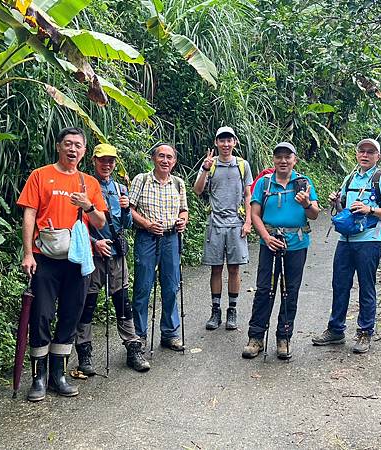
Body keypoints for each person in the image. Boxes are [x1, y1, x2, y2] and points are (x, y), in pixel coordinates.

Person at [18, 127, 107, 402]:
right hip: (44, 257)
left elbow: (101, 223)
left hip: (77, 259)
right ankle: (38, 378)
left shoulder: (89, 183)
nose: (73, 149)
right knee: (41, 315)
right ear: (59, 146)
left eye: (78, 146)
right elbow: (29, 214)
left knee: (70, 315)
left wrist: (88, 206)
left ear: (83, 151)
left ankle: (59, 375)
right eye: (68, 144)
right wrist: (28, 253)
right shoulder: (40, 175)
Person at [312, 138, 381, 353]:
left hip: (370, 240)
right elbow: (344, 206)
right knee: (339, 284)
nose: (365, 155)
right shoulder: (350, 178)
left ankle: (365, 332)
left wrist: (370, 210)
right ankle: (336, 330)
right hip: (346, 240)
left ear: (377, 157)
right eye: (362, 151)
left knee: (366, 286)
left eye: (371, 152)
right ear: (357, 154)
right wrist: (336, 201)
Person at [74, 144, 150, 375]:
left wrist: (127, 210)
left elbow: (127, 224)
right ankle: (84, 355)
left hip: (117, 255)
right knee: (87, 305)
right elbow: (74, 223)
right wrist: (93, 243)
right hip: (92, 255)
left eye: (111, 161)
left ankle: (133, 348)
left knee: (123, 303)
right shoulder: (83, 187)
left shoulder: (120, 188)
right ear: (94, 161)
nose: (106, 165)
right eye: (102, 160)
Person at [242, 142, 319, 360]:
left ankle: (284, 337)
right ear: (274, 160)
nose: (283, 161)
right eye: (279, 157)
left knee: (290, 291)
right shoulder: (265, 183)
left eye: (287, 157)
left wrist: (306, 204)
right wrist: (266, 237)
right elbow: (255, 213)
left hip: (296, 244)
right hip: (270, 243)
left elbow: (314, 214)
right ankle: (256, 337)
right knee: (264, 289)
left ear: (295, 159)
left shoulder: (303, 182)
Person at [129, 143, 188, 352]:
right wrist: (146, 224)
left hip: (171, 238)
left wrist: (182, 220)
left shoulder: (178, 183)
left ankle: (170, 333)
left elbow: (184, 210)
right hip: (146, 238)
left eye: (169, 157)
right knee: (143, 286)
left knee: (171, 286)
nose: (165, 160)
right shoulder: (141, 180)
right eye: (161, 156)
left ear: (174, 161)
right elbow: (130, 209)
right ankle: (139, 334)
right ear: (153, 158)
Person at [193, 126, 253, 331]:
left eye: (229, 140)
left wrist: (248, 222)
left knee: (234, 268)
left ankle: (233, 310)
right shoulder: (211, 165)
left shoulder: (242, 165)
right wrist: (204, 169)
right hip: (215, 223)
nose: (226, 144)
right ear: (216, 143)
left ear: (235, 142)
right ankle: (215, 310)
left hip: (236, 223)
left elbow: (248, 195)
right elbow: (198, 190)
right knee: (216, 268)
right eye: (222, 140)